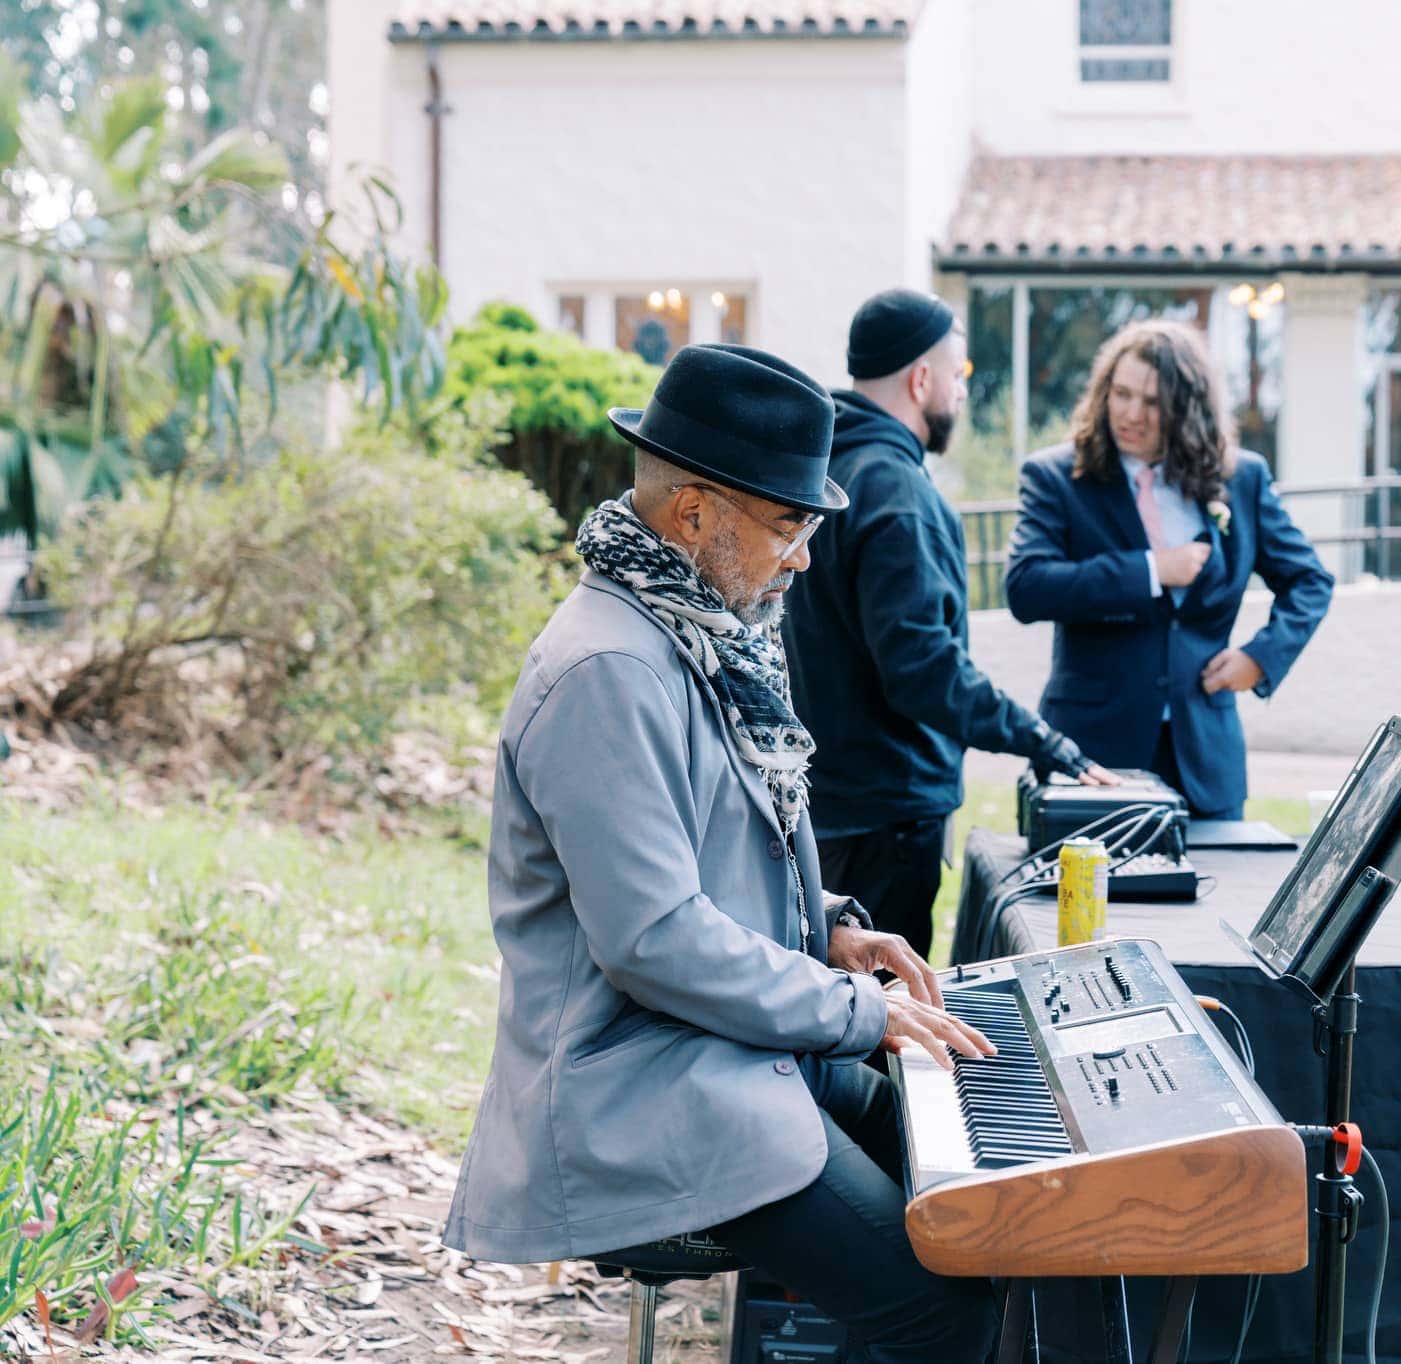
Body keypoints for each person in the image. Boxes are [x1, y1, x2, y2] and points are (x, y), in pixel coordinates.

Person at [442, 343, 1000, 1364]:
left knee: (978, 1206)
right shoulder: (610, 668)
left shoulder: (688, 631)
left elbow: (709, 849)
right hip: (640, 1079)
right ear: (695, 514)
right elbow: (653, 937)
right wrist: (855, 1015)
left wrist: (827, 925)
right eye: (788, 526)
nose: (800, 558)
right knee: (944, 1310)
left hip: (714, 1045)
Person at [786, 288, 1111, 960]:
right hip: (885, 817)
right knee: (878, 1025)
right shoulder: (896, 491)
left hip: (829, 800)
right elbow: (923, 670)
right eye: (959, 375)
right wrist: (1044, 741)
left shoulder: (826, 468)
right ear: (922, 378)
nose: (963, 392)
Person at [1005, 320, 1334, 820]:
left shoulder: (1241, 478)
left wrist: (1261, 658)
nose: (1131, 414)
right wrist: (1150, 570)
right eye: (1121, 394)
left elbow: (1310, 581)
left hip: (1206, 758)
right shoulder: (1055, 477)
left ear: (1187, 410)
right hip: (1094, 755)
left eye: (1153, 403)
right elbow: (1028, 587)